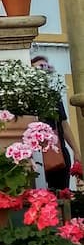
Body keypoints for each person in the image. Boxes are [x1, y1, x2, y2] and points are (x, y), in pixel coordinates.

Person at [31, 55, 80, 190]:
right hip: (37, 152)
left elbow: (64, 124)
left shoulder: (53, 95)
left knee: (61, 192)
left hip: (58, 151)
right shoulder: (27, 96)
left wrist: (76, 151)